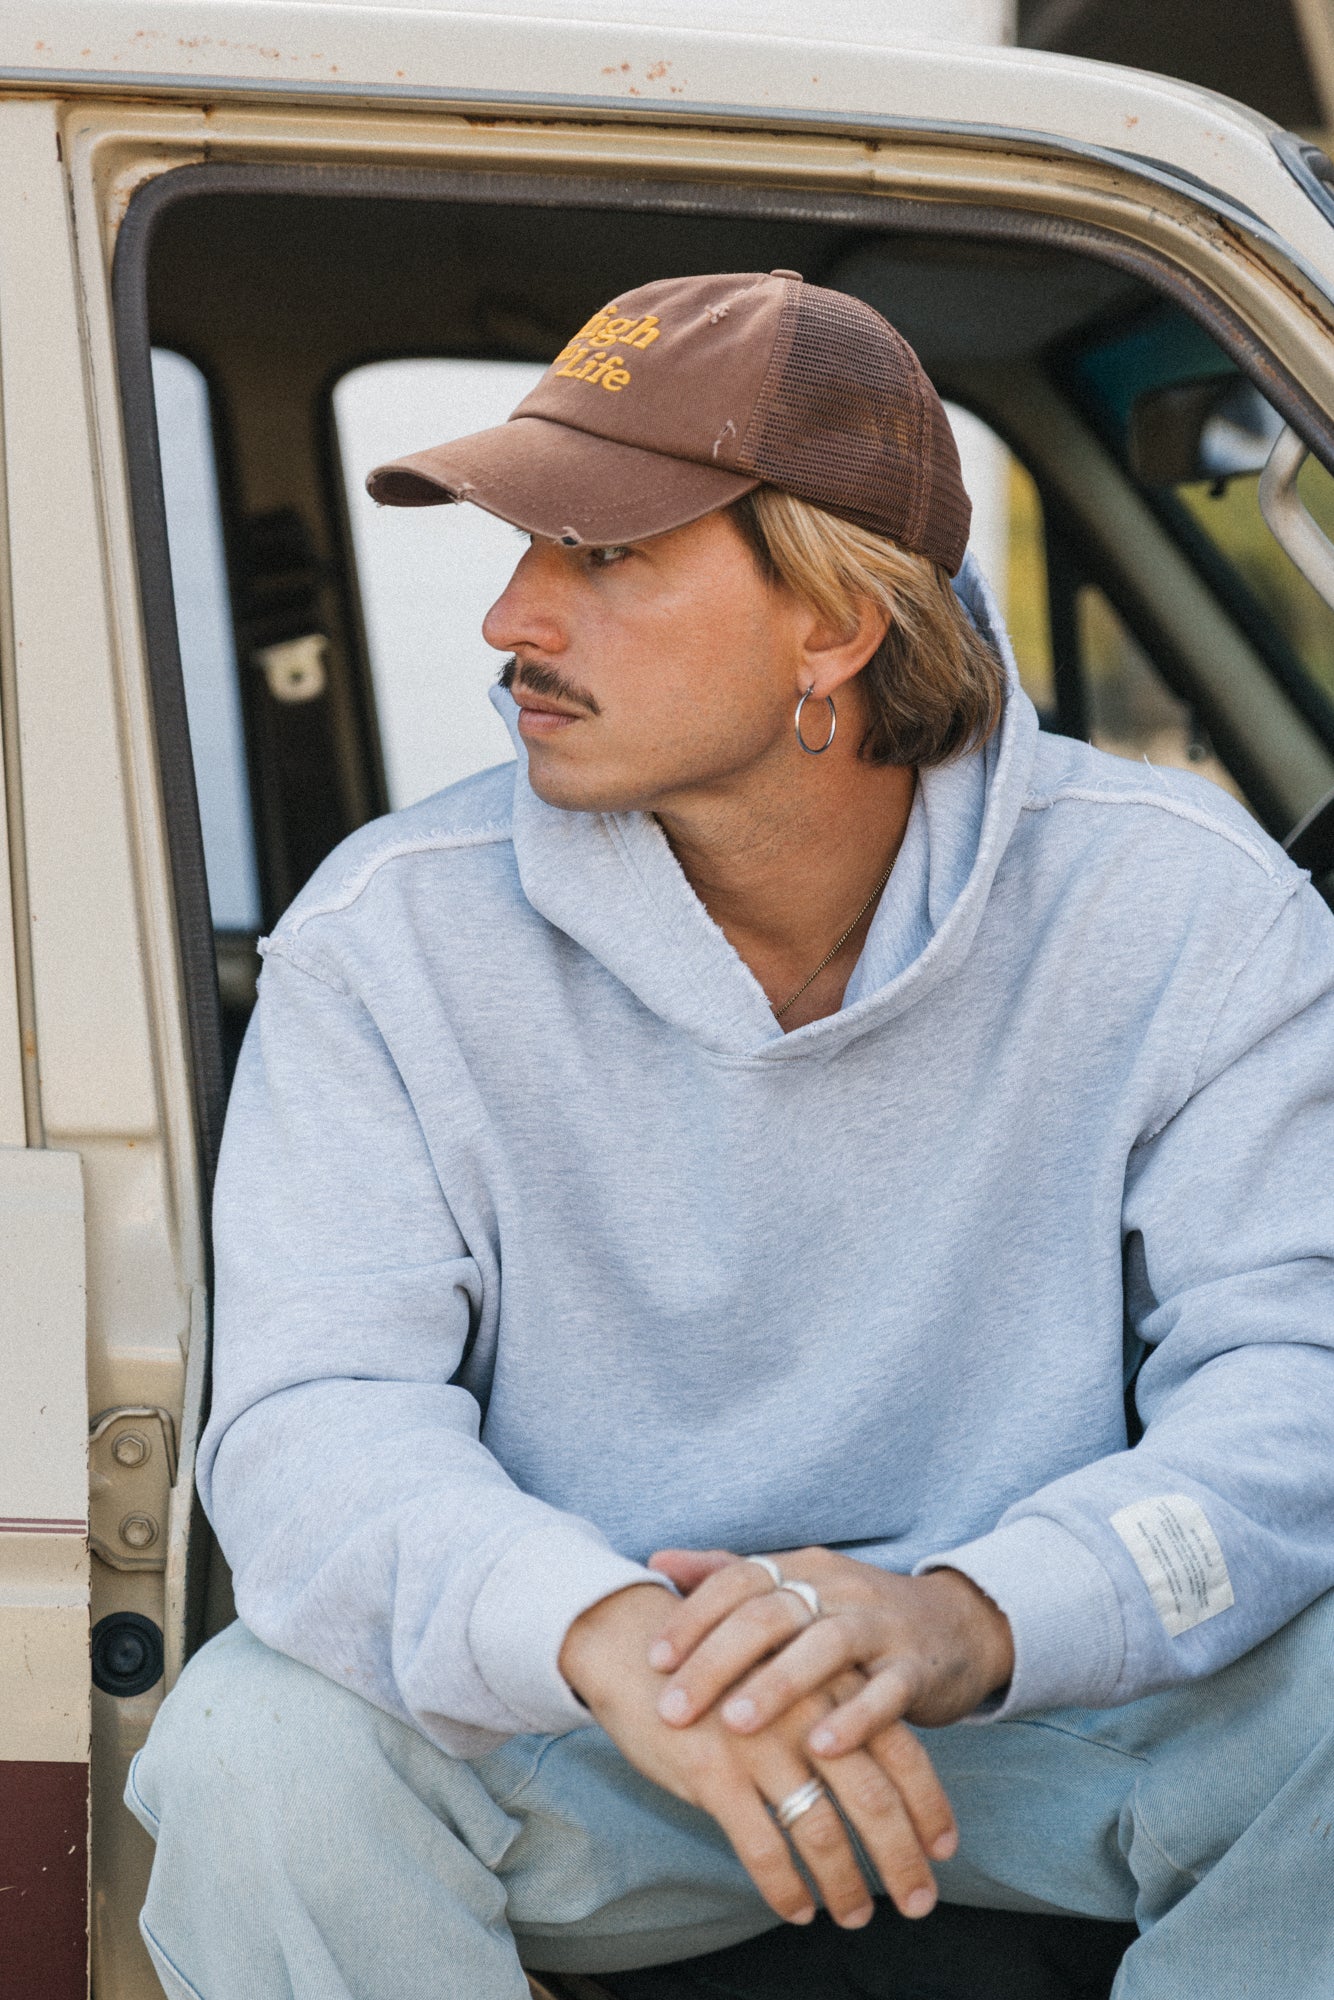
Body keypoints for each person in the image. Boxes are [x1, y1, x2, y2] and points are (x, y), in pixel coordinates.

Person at [128, 271, 1334, 2000]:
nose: (510, 619)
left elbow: (1291, 1388)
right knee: (257, 1749)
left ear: (832, 625)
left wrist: (974, 1616)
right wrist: (599, 1636)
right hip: (593, 1724)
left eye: (602, 556)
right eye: (522, 545)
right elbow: (317, 1419)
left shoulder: (1185, 908)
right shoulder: (388, 938)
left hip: (1044, 1705)